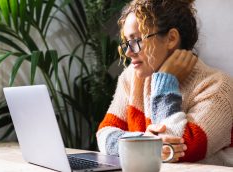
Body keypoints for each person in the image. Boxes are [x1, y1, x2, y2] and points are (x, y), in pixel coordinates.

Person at [96, 0, 233, 166]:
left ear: (171, 38)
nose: (128, 52)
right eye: (126, 42)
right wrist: (145, 140)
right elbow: (104, 134)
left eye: (137, 40)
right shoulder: (131, 78)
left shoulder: (218, 87)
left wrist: (166, 82)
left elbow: (173, 152)